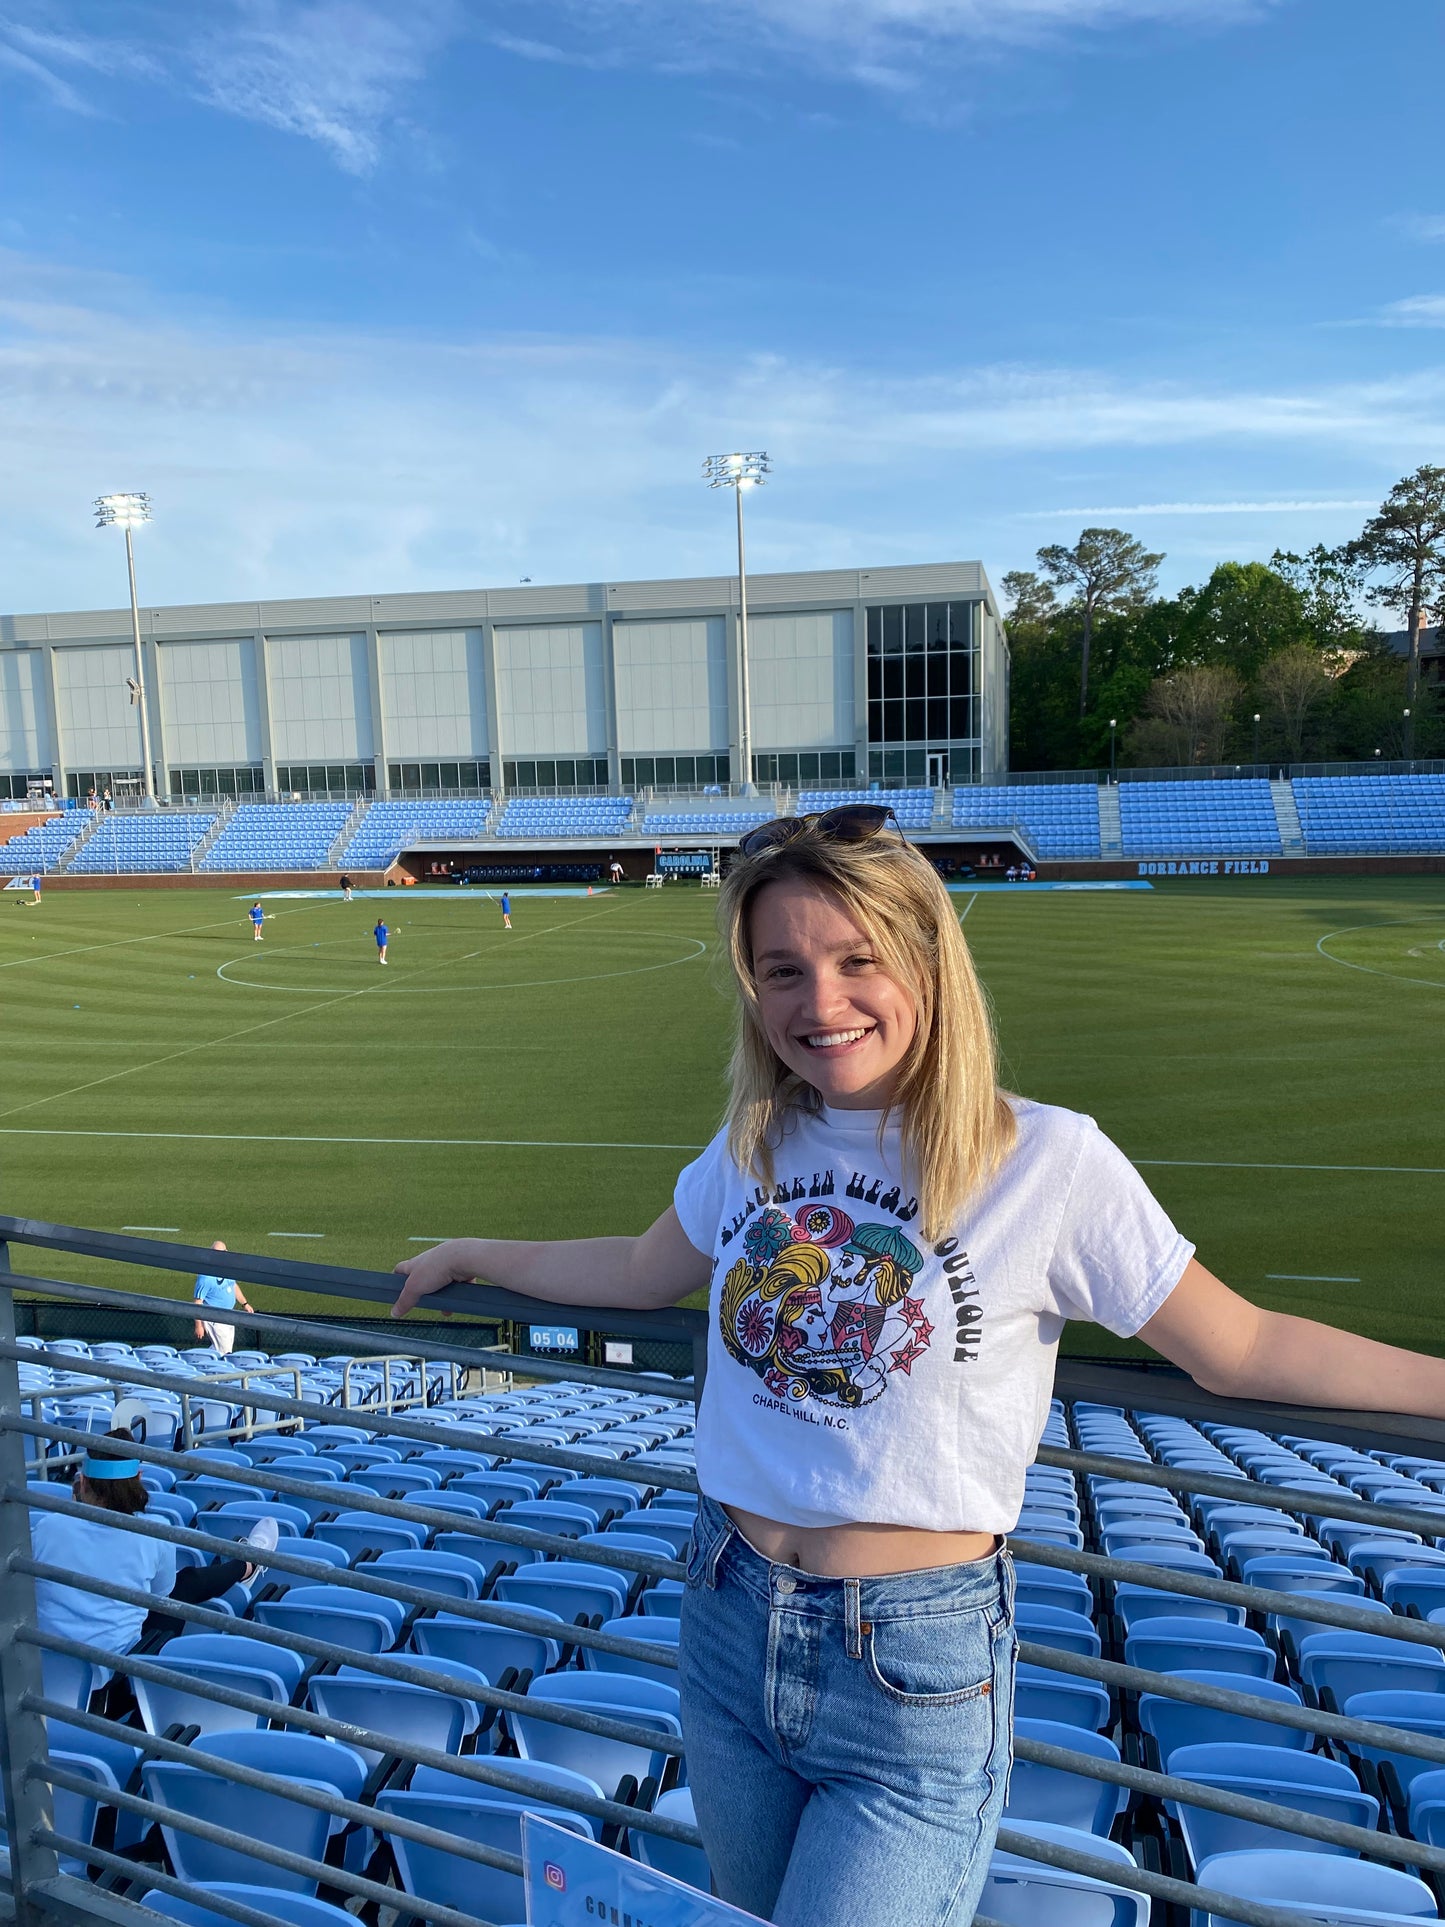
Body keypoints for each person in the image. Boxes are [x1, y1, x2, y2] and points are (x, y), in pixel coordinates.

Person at [388, 803, 1445, 1925]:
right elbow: (647, 1269)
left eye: (855, 961)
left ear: (927, 962)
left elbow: (1238, 1347)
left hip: (911, 1660)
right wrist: (473, 1252)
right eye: (780, 969)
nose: (819, 1003)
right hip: (724, 1612)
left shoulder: (1048, 1159)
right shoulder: (759, 1138)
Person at [30, 1429, 275, 1666]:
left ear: (82, 1483)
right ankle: (247, 1564)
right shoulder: (155, 1531)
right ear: (138, 1479)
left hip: (44, 1669)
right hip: (111, 1683)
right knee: (185, 1584)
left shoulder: (48, 1526)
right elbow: (162, 1593)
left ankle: (246, 1565)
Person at [192, 1241, 254, 1355]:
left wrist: (245, 1304)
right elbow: (197, 1302)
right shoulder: (205, 1277)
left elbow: (233, 1285)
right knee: (224, 1351)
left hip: (228, 1315)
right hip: (214, 1317)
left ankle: (200, 1359)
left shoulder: (228, 1269)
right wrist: (199, 1325)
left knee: (222, 1348)